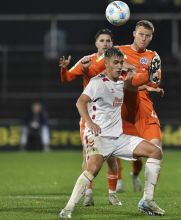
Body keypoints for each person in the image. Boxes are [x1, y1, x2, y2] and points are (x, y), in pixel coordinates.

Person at [59, 47, 165, 218]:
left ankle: (148, 201)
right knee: (92, 169)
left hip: (118, 138)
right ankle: (68, 209)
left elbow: (131, 86)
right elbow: (80, 102)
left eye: (121, 62)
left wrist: (148, 87)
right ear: (106, 64)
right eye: (115, 63)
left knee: (155, 152)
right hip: (98, 136)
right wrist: (90, 122)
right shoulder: (97, 82)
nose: (119, 66)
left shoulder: (120, 81)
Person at [58, 28, 121, 206]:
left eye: (108, 41)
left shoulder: (117, 61)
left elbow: (105, 72)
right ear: (96, 44)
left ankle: (112, 193)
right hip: (91, 114)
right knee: (88, 154)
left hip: (109, 115)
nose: (105, 43)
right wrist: (64, 69)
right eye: (102, 40)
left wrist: (87, 70)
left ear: (112, 43)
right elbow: (67, 78)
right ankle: (88, 194)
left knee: (111, 156)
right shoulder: (87, 60)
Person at [116, 20, 163, 193]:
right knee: (110, 149)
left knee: (155, 148)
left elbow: (155, 80)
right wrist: (137, 72)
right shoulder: (119, 51)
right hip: (118, 103)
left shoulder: (153, 56)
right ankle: (117, 181)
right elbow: (108, 68)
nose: (144, 38)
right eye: (141, 34)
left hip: (141, 103)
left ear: (151, 37)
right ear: (134, 33)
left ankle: (148, 198)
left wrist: (132, 73)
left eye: (148, 36)